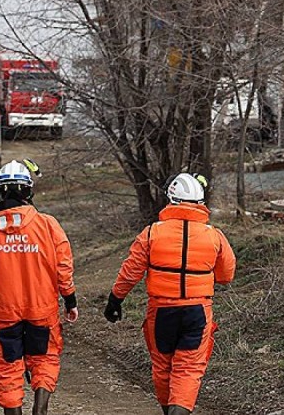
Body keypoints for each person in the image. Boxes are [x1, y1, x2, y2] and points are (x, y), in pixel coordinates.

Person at [104, 173, 236, 415]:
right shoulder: (214, 235)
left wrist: (115, 299)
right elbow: (226, 275)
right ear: (199, 201)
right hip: (198, 311)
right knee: (188, 369)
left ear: (171, 199)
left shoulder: (152, 233)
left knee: (163, 368)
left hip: (162, 311)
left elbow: (131, 270)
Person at [0, 160, 78, 415]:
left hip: (5, 313)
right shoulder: (49, 225)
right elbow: (64, 267)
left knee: (8, 367)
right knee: (45, 359)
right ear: (28, 192)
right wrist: (70, 300)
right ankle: (40, 408)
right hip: (43, 310)